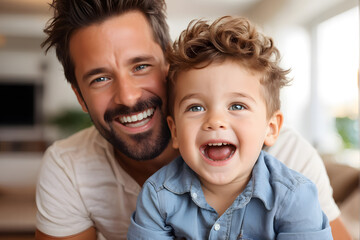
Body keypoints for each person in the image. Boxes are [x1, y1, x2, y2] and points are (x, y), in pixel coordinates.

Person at [35, 0, 350, 239]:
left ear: (168, 64)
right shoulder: (72, 168)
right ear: (79, 96)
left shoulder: (290, 160)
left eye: (141, 65)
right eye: (100, 78)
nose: (128, 97)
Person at [127, 16, 333, 239]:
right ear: (175, 131)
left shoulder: (296, 197)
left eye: (237, 105)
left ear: (271, 128)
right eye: (195, 107)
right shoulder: (157, 196)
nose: (215, 120)